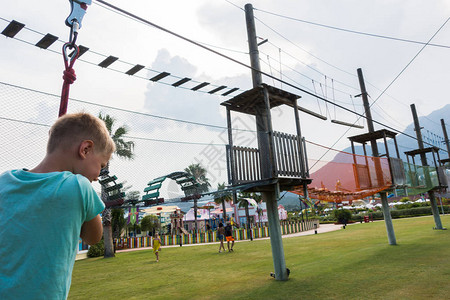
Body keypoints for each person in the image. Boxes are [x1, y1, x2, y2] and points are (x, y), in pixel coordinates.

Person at [0, 112, 115, 300]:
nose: (97, 176)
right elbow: (94, 237)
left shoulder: (4, 182)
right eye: (101, 166)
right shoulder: (79, 186)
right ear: (85, 149)